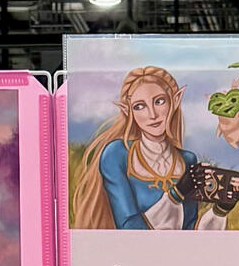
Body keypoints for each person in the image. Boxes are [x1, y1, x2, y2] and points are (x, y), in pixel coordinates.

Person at [70, 67, 222, 231]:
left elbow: (188, 230)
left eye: (159, 101)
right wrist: (175, 195)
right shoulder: (117, 154)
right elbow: (129, 226)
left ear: (175, 100)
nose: (152, 114)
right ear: (127, 111)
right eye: (139, 106)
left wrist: (221, 210)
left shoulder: (187, 160)